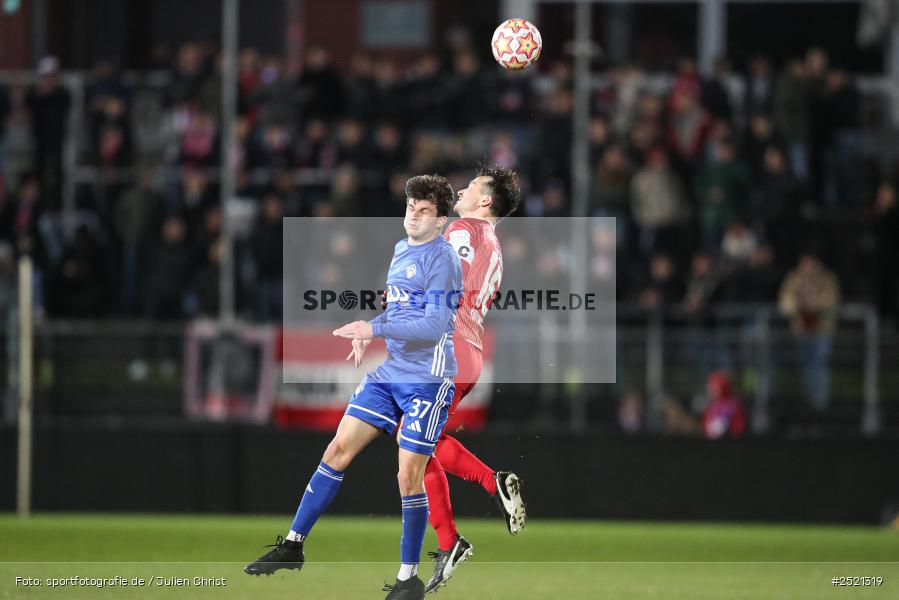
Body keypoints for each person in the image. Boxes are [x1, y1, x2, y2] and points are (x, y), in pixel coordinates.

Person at [244, 175, 463, 600]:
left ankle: (407, 580)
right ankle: (292, 545)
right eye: (410, 207)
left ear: (440, 220)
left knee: (407, 475)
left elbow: (436, 323)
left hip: (427, 381)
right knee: (336, 451)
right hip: (392, 371)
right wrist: (373, 331)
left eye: (424, 211)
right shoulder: (401, 250)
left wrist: (374, 326)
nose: (413, 216)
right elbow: (398, 307)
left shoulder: (445, 259)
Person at [421, 165, 527, 593]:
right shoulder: (496, 245)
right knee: (419, 442)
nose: (462, 190)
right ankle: (486, 490)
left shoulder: (463, 229)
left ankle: (452, 540)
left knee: (413, 448)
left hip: (444, 346)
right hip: (469, 351)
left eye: (471, 187)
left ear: (485, 200)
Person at [777, 253, 840, 412]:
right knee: (805, 364)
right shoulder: (793, 279)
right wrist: (797, 306)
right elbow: (785, 303)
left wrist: (812, 305)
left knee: (820, 363)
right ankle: (809, 398)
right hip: (801, 330)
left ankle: (821, 401)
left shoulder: (828, 279)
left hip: (821, 330)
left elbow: (831, 301)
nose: (807, 268)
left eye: (810, 264)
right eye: (804, 264)